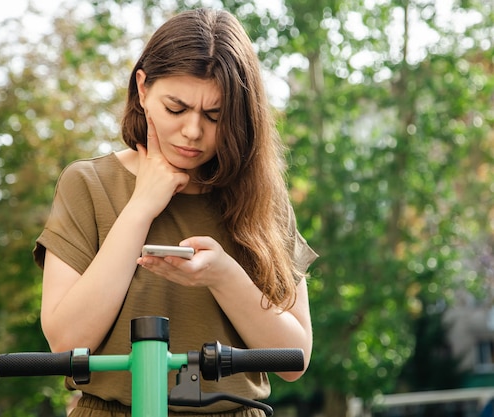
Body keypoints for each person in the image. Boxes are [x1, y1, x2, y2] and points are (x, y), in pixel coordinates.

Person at [33, 7, 318, 417]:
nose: (192, 132)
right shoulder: (88, 184)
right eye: (176, 108)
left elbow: (294, 359)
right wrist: (141, 208)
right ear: (143, 88)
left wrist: (224, 276)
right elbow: (67, 342)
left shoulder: (262, 198)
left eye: (214, 115)